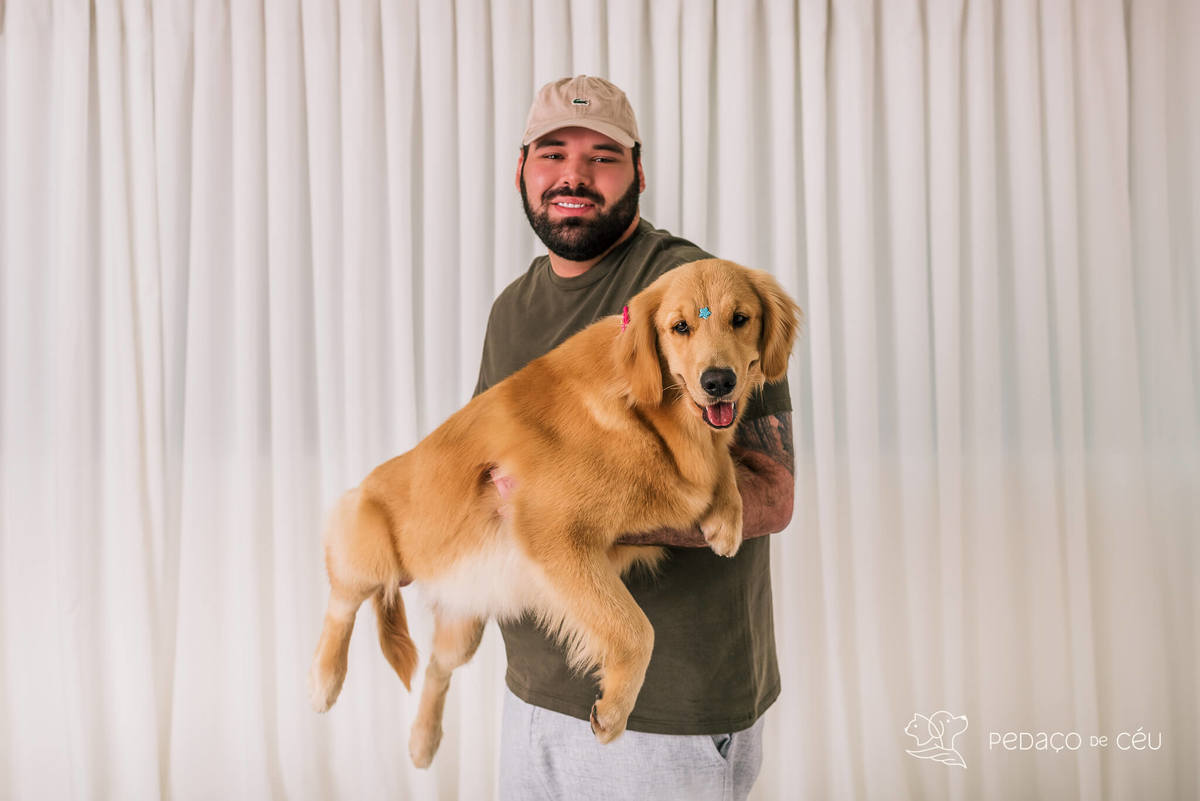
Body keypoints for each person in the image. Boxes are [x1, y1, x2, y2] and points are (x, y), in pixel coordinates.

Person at [474, 75, 795, 801]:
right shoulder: (512, 309)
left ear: (640, 173)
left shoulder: (704, 294)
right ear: (521, 168)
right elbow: (490, 476)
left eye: (603, 156)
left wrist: (573, 500)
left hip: (668, 715)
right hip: (533, 694)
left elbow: (772, 495)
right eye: (553, 153)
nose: (574, 175)